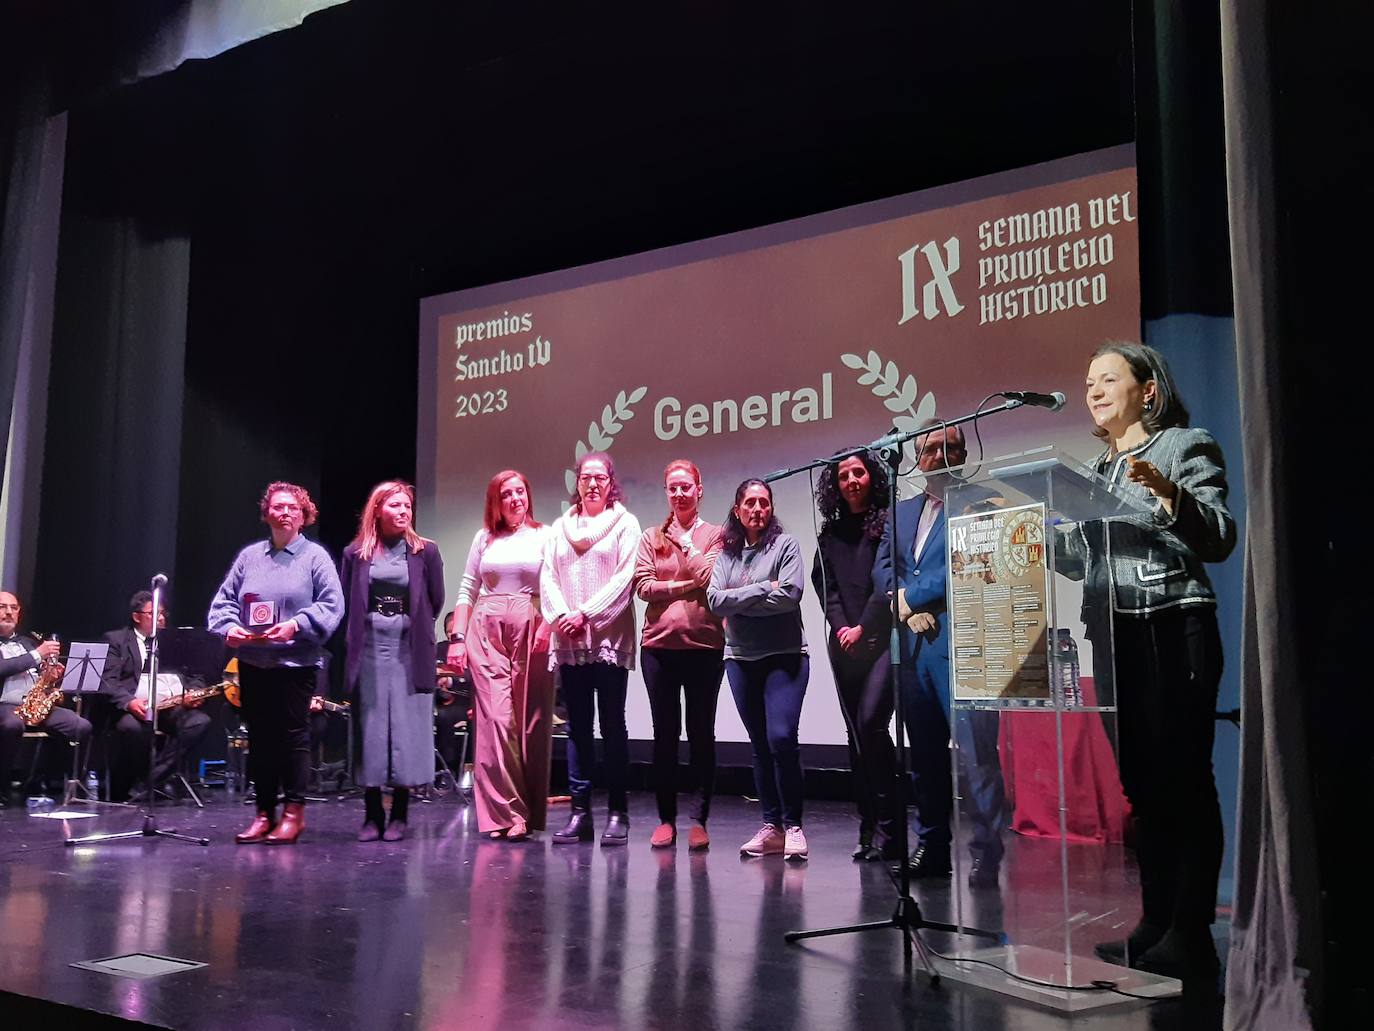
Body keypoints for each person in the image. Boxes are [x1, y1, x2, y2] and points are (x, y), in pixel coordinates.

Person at [1063, 341, 1236, 978]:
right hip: (1115, 635)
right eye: (1088, 382)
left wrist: (1167, 495)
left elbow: (1218, 535)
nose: (1094, 390)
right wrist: (1035, 530)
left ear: (1148, 390)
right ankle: (1156, 922)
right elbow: (1086, 560)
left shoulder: (1184, 446)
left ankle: (1191, 933)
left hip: (1174, 626)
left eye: (1108, 378)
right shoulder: (1095, 470)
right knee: (1142, 785)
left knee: (1182, 782)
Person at [873, 423, 1007, 888]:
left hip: (965, 643)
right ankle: (931, 847)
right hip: (913, 649)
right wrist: (903, 609)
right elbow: (884, 567)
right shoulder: (900, 510)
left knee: (976, 756)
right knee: (925, 756)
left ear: (964, 452)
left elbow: (971, 562)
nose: (940, 455)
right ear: (915, 456)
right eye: (930, 448)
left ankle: (987, 853)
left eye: (950, 447)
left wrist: (914, 599)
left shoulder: (981, 501)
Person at [208, 482, 344, 845]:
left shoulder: (315, 557)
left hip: (295, 663)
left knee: (293, 738)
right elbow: (224, 603)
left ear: (304, 516)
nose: (285, 512)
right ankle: (263, 813)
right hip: (254, 661)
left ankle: (293, 814)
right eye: (278, 506)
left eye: (293, 508)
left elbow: (332, 604)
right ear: (266, 512)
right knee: (261, 740)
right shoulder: (250, 557)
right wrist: (230, 629)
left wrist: (296, 625)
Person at [540, 452, 641, 846]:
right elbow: (547, 577)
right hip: (569, 640)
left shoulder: (624, 523)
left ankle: (619, 813)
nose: (592, 484)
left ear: (610, 482)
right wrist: (563, 615)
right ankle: (580, 813)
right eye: (586, 478)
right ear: (577, 483)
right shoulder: (559, 528)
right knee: (578, 728)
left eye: (600, 478)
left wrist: (585, 613)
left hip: (607, 639)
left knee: (612, 725)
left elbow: (625, 578)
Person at [707, 479, 810, 860]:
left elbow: (790, 595)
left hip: (785, 656)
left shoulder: (786, 546)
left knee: (781, 737)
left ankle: (794, 826)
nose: (757, 510)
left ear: (771, 508)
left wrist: (739, 602)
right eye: (749, 503)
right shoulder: (726, 556)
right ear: (737, 510)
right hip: (741, 659)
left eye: (763, 503)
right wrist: (759, 589)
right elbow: (716, 600)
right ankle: (772, 828)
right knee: (760, 745)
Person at [449, 470, 554, 841]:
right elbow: (467, 588)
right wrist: (457, 637)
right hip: (487, 626)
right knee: (496, 718)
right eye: (506, 493)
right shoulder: (484, 538)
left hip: (531, 621)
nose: (515, 499)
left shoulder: (545, 535)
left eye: (520, 491)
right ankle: (505, 813)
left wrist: (550, 623)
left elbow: (555, 583)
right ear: (496, 500)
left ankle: (524, 811)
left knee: (528, 722)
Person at [341, 481, 446, 842]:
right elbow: (348, 600)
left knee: (406, 730)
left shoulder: (424, 551)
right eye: (396, 505)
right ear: (378, 510)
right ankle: (371, 815)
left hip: (408, 646)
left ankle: (400, 814)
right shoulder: (356, 554)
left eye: (407, 506)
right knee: (371, 729)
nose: (403, 512)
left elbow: (436, 597)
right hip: (370, 646)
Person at [811, 451, 901, 861]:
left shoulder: (889, 525)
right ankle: (867, 827)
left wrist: (864, 626)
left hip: (882, 640)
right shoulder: (828, 535)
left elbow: (888, 583)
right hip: (844, 643)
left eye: (858, 472)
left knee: (871, 726)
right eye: (843, 475)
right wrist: (841, 627)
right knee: (855, 737)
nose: (851, 480)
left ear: (872, 477)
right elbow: (825, 587)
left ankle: (890, 828)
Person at [633, 459, 725, 850]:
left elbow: (712, 579)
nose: (679, 493)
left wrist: (677, 572)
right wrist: (686, 585)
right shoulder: (650, 536)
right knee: (664, 735)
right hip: (658, 648)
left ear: (699, 490)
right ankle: (666, 819)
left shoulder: (718, 535)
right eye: (672, 487)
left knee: (702, 734)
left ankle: (698, 820)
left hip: (704, 648)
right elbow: (642, 586)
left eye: (686, 486)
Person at [102, 590, 212, 801]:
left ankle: (152, 779)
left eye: (162, 613)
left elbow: (194, 674)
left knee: (198, 722)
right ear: (136, 617)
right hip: (133, 708)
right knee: (132, 729)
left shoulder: (173, 641)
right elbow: (108, 681)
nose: (161, 618)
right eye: (153, 613)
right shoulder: (115, 640)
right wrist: (129, 702)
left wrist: (193, 691)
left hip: (169, 707)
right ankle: (121, 787)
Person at [0, 591, 89, 800]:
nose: (9, 612)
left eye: (14, 608)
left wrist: (52, 675)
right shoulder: (34, 649)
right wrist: (37, 654)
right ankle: (2, 786)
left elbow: (39, 675)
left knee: (80, 726)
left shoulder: (28, 641)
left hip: (34, 704)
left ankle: (48, 781)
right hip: (4, 705)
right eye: (2, 607)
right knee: (12, 725)